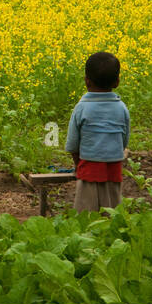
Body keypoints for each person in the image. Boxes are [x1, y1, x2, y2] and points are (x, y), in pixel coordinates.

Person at [64, 51, 130, 212]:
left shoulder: (81, 108)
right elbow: (124, 140)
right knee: (113, 211)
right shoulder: (122, 108)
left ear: (87, 81)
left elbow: (73, 144)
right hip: (113, 168)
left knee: (86, 215)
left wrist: (78, 165)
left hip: (88, 169)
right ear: (117, 82)